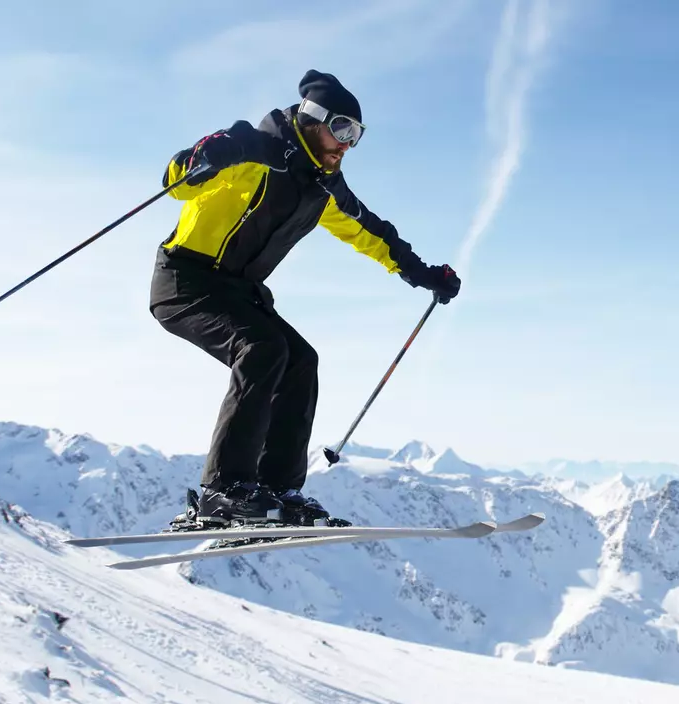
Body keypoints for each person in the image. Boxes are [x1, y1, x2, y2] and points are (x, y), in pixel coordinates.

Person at [150, 69, 460, 526]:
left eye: (357, 135)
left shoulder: (322, 187)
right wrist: (206, 152)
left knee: (300, 361)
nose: (347, 144)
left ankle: (277, 492)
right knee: (263, 348)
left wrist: (422, 274)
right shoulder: (254, 150)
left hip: (240, 292)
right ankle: (225, 491)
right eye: (341, 129)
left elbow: (371, 232)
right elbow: (178, 182)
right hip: (187, 281)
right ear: (313, 118)